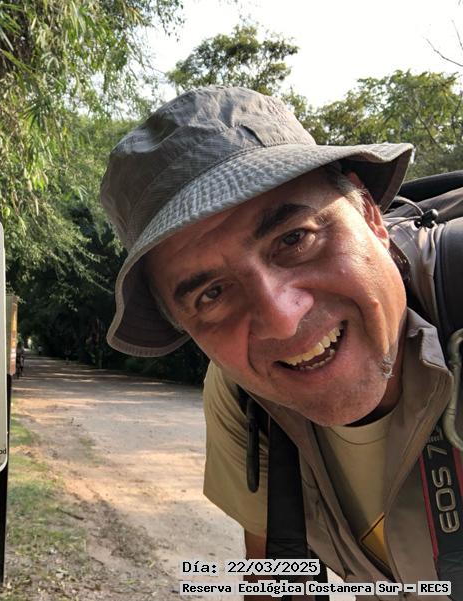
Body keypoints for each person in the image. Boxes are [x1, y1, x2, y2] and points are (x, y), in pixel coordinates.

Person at [99, 87, 456, 593]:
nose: (282, 320)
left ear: (370, 215)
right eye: (212, 293)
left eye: (295, 239)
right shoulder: (244, 397)